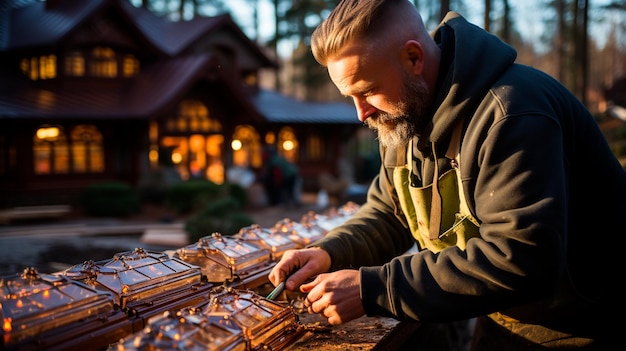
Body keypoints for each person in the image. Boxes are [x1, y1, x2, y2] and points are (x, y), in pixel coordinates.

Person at [268, 0, 626, 349]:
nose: (360, 113)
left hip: (586, 326)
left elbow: (521, 258)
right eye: (351, 96)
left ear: (413, 58)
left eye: (367, 91)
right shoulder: (401, 115)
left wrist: (375, 289)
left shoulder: (513, 113)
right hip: (500, 321)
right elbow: (389, 214)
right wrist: (329, 251)